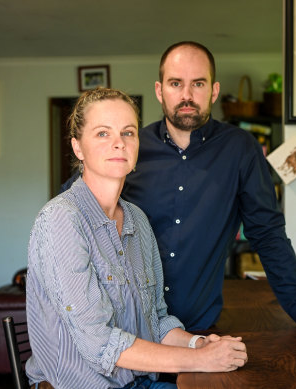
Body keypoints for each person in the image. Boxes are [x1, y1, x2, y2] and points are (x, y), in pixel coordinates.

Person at [122, 41, 296, 334]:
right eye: (176, 83)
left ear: (214, 90)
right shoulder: (129, 147)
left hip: (199, 328)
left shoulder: (241, 148)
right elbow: (81, 206)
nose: (186, 95)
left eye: (198, 83)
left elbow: (266, 230)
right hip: (129, 326)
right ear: (160, 90)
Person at [27, 88, 247, 389]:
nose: (119, 142)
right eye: (103, 133)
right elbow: (100, 343)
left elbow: (155, 320)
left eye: (128, 132)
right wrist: (200, 360)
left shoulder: (137, 221)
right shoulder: (61, 220)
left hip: (139, 382)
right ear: (78, 147)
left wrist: (200, 344)